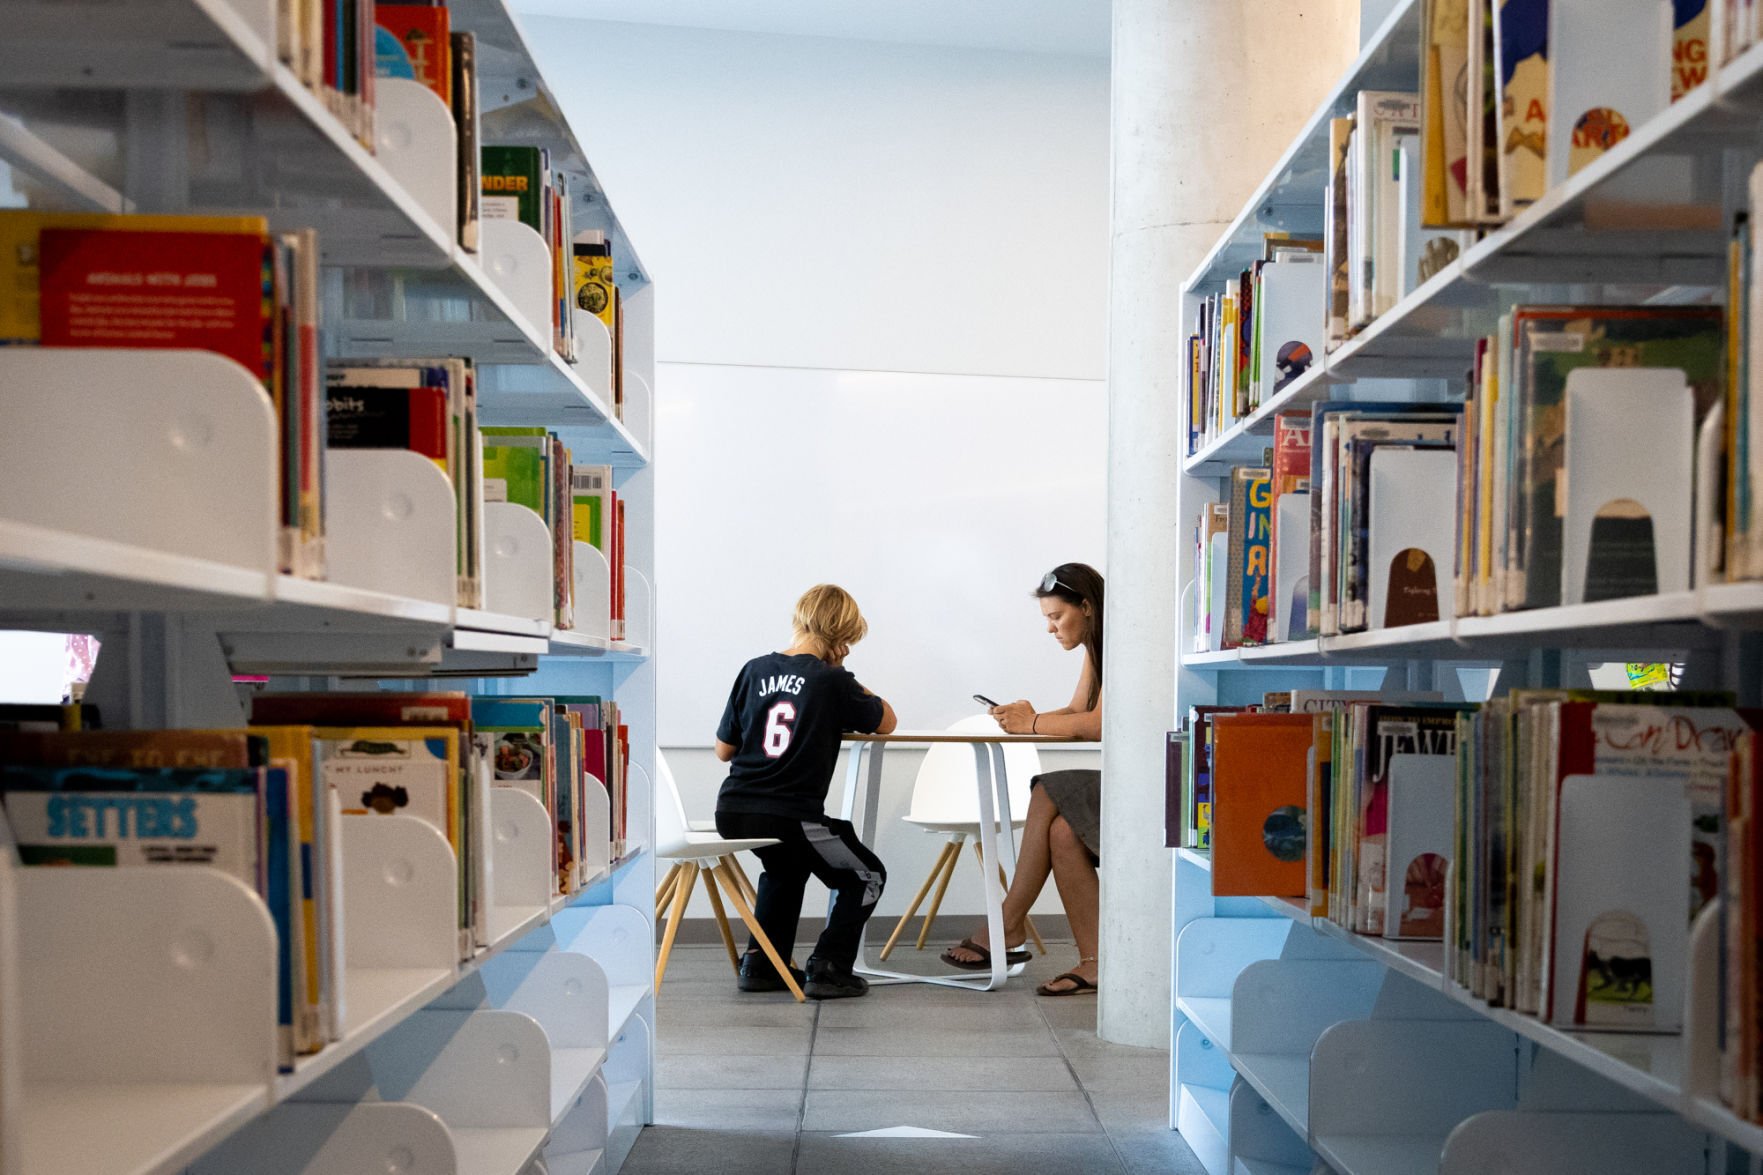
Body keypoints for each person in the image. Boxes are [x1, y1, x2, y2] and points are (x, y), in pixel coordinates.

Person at [714, 584, 899, 999]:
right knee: (866, 875)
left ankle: (763, 964)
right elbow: (887, 721)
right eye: (848, 641)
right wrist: (850, 678)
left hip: (733, 810)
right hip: (789, 814)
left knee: (785, 867)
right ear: (840, 636)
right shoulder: (832, 679)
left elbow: (723, 750)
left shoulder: (753, 669)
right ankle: (829, 967)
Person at [941, 562, 1103, 996]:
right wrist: (1023, 718)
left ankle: (1007, 924)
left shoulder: (1119, 645)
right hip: (1131, 778)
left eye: (1056, 616)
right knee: (1064, 833)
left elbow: (1101, 725)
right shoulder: (1097, 647)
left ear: (1086, 607)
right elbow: (1075, 712)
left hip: (1155, 783)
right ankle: (1095, 963)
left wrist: (1030, 723)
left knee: (1050, 787)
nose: (1050, 628)